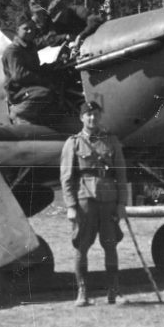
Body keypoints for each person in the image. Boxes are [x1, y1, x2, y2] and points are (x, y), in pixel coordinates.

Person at [59, 100, 129, 306]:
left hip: (108, 200)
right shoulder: (73, 143)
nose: (92, 118)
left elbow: (121, 175)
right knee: (82, 245)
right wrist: (71, 206)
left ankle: (114, 292)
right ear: (82, 118)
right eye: (88, 114)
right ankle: (82, 292)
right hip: (84, 200)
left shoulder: (111, 141)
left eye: (96, 114)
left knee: (110, 244)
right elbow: (66, 177)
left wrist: (122, 203)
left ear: (100, 117)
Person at [2, 19, 58, 125]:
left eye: (32, 28)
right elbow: (19, 75)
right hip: (18, 91)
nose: (29, 31)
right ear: (17, 30)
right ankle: (19, 113)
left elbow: (34, 69)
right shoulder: (13, 50)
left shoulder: (30, 47)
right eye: (25, 28)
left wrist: (52, 66)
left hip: (29, 87)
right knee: (44, 93)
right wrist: (43, 80)